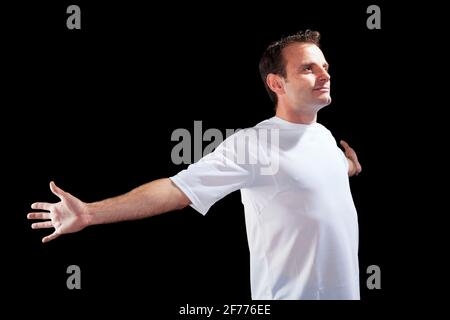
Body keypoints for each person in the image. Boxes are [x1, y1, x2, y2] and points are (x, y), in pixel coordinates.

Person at [28, 30, 362, 300]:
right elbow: (178, 189)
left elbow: (331, 170)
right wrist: (89, 213)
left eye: (325, 67)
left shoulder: (324, 138)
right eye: (308, 68)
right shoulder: (254, 144)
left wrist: (349, 164)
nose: (324, 75)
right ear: (277, 84)